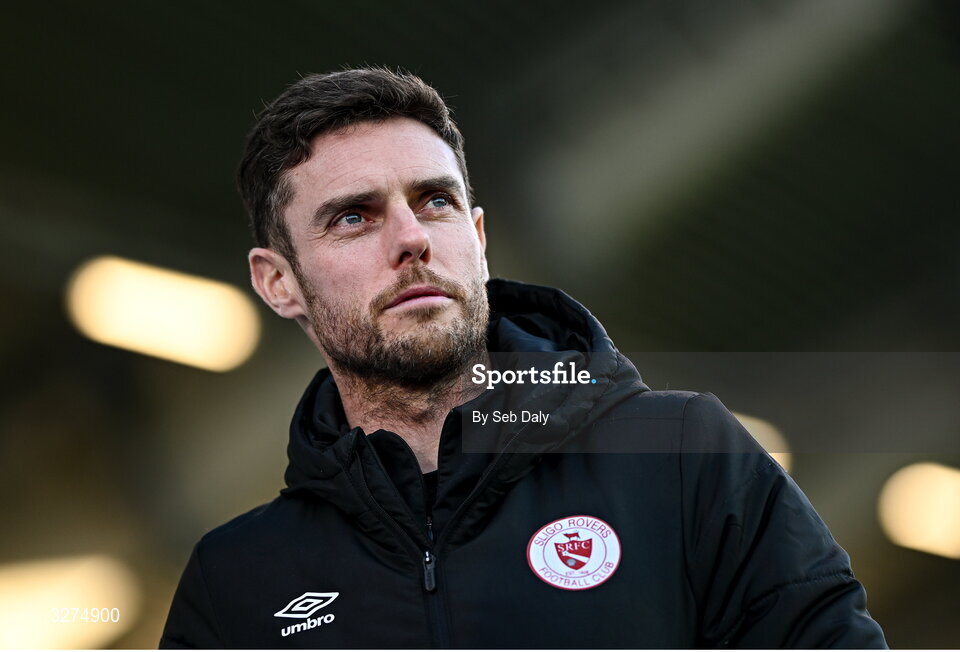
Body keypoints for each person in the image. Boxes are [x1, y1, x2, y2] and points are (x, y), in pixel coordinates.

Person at [160, 67, 887, 648]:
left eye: (436, 201)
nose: (412, 238)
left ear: (477, 237)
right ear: (278, 281)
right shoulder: (238, 582)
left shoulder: (682, 458)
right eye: (355, 217)